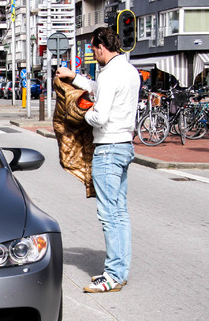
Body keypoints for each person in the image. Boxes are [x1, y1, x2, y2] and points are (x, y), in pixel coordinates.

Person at [56, 26, 140, 293]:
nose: (93, 53)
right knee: (120, 212)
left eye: (93, 48)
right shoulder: (129, 71)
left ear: (102, 47)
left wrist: (83, 115)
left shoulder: (108, 75)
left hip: (108, 148)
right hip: (125, 144)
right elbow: (99, 88)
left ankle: (113, 275)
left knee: (108, 214)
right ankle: (121, 271)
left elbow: (100, 116)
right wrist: (74, 77)